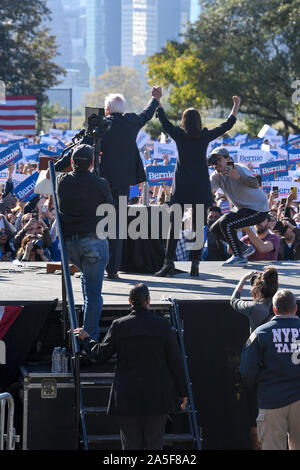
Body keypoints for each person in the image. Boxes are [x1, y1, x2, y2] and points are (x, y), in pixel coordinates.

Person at [52, 86, 161, 280]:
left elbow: (79, 147)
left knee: (97, 223)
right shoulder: (131, 122)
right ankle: (113, 270)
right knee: (117, 226)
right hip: (123, 184)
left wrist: (57, 167)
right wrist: (155, 98)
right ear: (123, 109)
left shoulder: (100, 126)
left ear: (107, 110)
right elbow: (147, 114)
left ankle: (93, 266)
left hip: (99, 183)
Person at [74, 283, 188, 451]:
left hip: (127, 396)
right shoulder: (162, 325)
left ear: (129, 301)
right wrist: (183, 392)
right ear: (148, 300)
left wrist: (86, 338)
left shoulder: (119, 325)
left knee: (130, 446)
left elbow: (100, 354)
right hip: (157, 396)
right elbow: (176, 362)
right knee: (154, 445)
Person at [155, 96, 241, 277]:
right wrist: (235, 106)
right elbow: (227, 124)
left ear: (184, 122)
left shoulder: (179, 135)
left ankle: (168, 263)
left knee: (174, 226)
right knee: (197, 227)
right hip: (201, 188)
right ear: (199, 121)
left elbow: (163, 121)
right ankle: (195, 265)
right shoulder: (204, 136)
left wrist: (157, 100)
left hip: (182, 188)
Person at [57, 144, 113, 341]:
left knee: (87, 280)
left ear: (71, 162)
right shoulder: (100, 183)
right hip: (93, 243)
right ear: (92, 163)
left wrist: (70, 158)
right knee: (94, 294)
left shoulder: (61, 181)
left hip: (69, 245)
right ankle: (89, 340)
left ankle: (83, 332)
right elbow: (109, 209)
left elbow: (55, 167)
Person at [240, 289, 300, 450]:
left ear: (274, 309)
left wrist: (261, 387)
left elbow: (247, 371)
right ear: (295, 308)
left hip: (272, 399)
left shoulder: (261, 333)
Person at [209, 147, 270, 266]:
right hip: (242, 209)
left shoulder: (236, 167)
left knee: (226, 223)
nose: (216, 164)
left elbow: (256, 184)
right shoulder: (216, 176)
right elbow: (209, 190)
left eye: (219, 159)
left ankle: (239, 257)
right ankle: (243, 248)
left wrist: (239, 177)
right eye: (213, 161)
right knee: (214, 229)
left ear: (227, 159)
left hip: (258, 208)